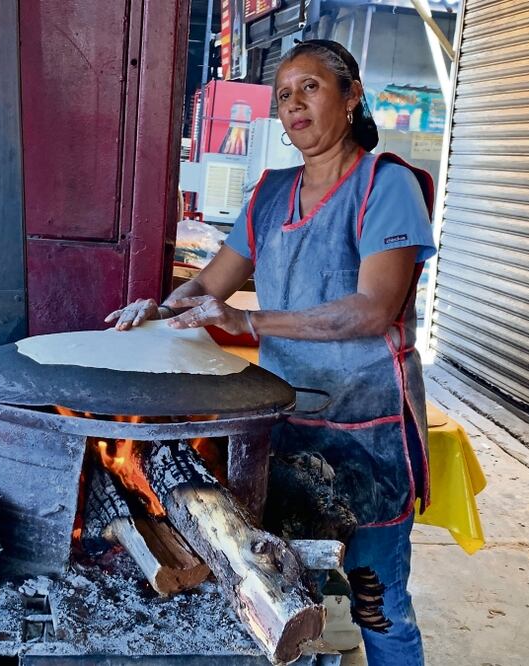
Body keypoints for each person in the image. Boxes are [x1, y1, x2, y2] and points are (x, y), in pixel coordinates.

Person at [106, 39, 436, 665]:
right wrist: (162, 308)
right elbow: (209, 283)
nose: (294, 104)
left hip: (366, 432)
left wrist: (249, 321)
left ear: (351, 95)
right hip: (284, 427)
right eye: (283, 95)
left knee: (374, 599)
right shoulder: (271, 193)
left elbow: (373, 309)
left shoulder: (385, 186)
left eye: (310, 87)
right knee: (286, 587)